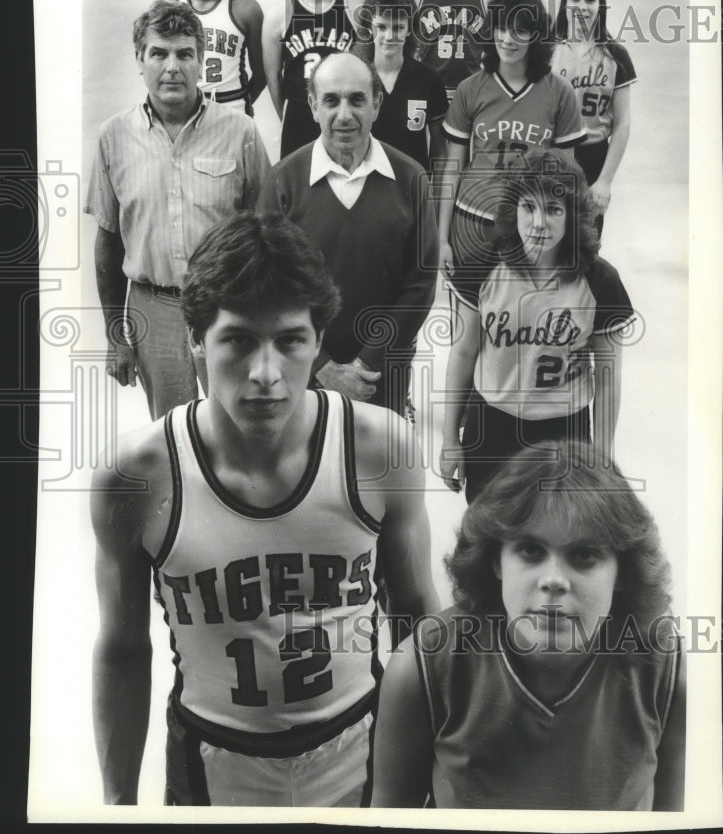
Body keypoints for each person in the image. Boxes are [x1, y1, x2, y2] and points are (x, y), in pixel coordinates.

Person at [91, 211, 439, 808]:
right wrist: (117, 804)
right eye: (239, 340)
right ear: (196, 339)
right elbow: (122, 650)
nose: (267, 374)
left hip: (363, 747)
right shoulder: (137, 477)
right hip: (210, 761)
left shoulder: (380, 449)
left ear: (318, 342)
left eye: (290, 341)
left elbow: (416, 617)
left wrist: (430, 771)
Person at [371, 441, 686, 810]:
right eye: (531, 551)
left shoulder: (666, 669)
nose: (554, 580)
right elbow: (390, 816)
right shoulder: (424, 665)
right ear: (496, 562)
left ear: (622, 571)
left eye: (584, 555)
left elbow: (674, 815)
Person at [84, 0, 270, 419]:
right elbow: (108, 244)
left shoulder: (241, 132)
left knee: (241, 428)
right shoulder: (112, 136)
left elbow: (267, 234)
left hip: (229, 308)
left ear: (202, 61)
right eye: (159, 53)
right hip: (153, 312)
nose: (172, 66)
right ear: (139, 59)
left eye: (185, 53)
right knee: (173, 436)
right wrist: (116, 338)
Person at [439, 149, 634, 502]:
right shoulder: (483, 266)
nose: (538, 222)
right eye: (528, 207)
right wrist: (450, 439)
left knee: (556, 532)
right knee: (489, 534)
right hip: (491, 424)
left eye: (554, 210)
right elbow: (464, 353)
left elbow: (607, 377)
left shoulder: (600, 280)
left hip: (564, 428)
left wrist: (602, 459)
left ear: (573, 216)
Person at [256, 52, 439, 417]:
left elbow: (420, 285)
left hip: (383, 372)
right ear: (312, 106)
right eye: (331, 100)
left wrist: (368, 362)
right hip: (301, 372)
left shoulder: (411, 179)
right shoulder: (282, 182)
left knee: (378, 468)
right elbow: (267, 285)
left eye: (357, 99)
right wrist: (321, 365)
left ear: (376, 104)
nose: (344, 115)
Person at [438, 0, 587, 309]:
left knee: (519, 327)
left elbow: (565, 180)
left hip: (527, 228)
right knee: (465, 330)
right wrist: (441, 238)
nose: (508, 38)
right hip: (471, 222)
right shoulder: (471, 88)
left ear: (537, 36)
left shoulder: (559, 93)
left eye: (521, 30)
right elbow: (452, 168)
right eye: (502, 27)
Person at [262, 0, 362, 158]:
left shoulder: (354, 7)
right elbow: (272, 77)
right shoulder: (280, 14)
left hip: (341, 112)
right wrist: (287, 114)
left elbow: (363, 73)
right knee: (298, 187)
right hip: (298, 113)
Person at [551, 0, 637, 235]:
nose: (582, 6)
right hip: (551, 153)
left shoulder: (616, 55)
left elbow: (622, 123)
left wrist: (605, 181)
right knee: (548, 236)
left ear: (601, 6)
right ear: (564, 3)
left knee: (585, 243)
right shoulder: (547, 50)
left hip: (593, 155)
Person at [358, 0, 448, 183]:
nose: (389, 36)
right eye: (381, 27)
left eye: (398, 27)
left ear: (409, 29)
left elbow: (440, 153)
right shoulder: (357, 78)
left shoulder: (428, 80)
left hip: (412, 190)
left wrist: (433, 200)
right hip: (366, 189)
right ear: (369, 27)